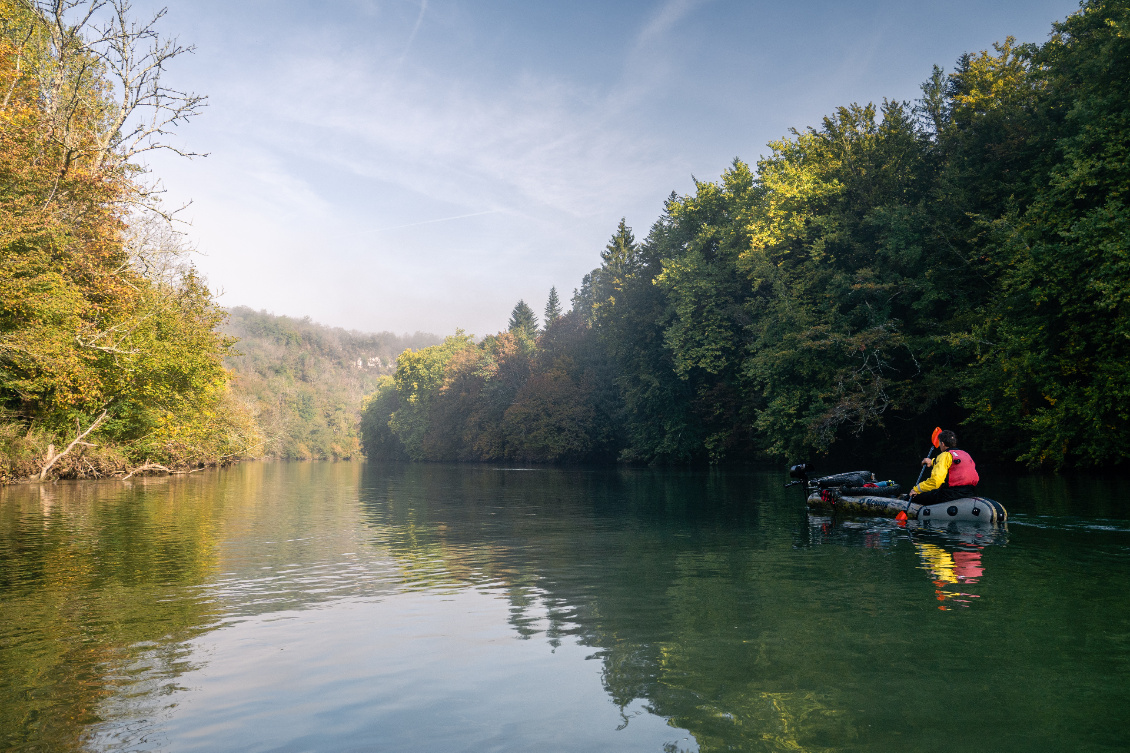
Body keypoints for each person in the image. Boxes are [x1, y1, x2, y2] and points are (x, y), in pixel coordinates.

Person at [908, 430, 980, 505]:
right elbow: (950, 463)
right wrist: (932, 461)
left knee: (915, 496)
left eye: (939, 443)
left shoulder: (944, 455)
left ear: (942, 444)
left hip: (951, 495)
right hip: (970, 492)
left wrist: (916, 489)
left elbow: (935, 482)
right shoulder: (965, 454)